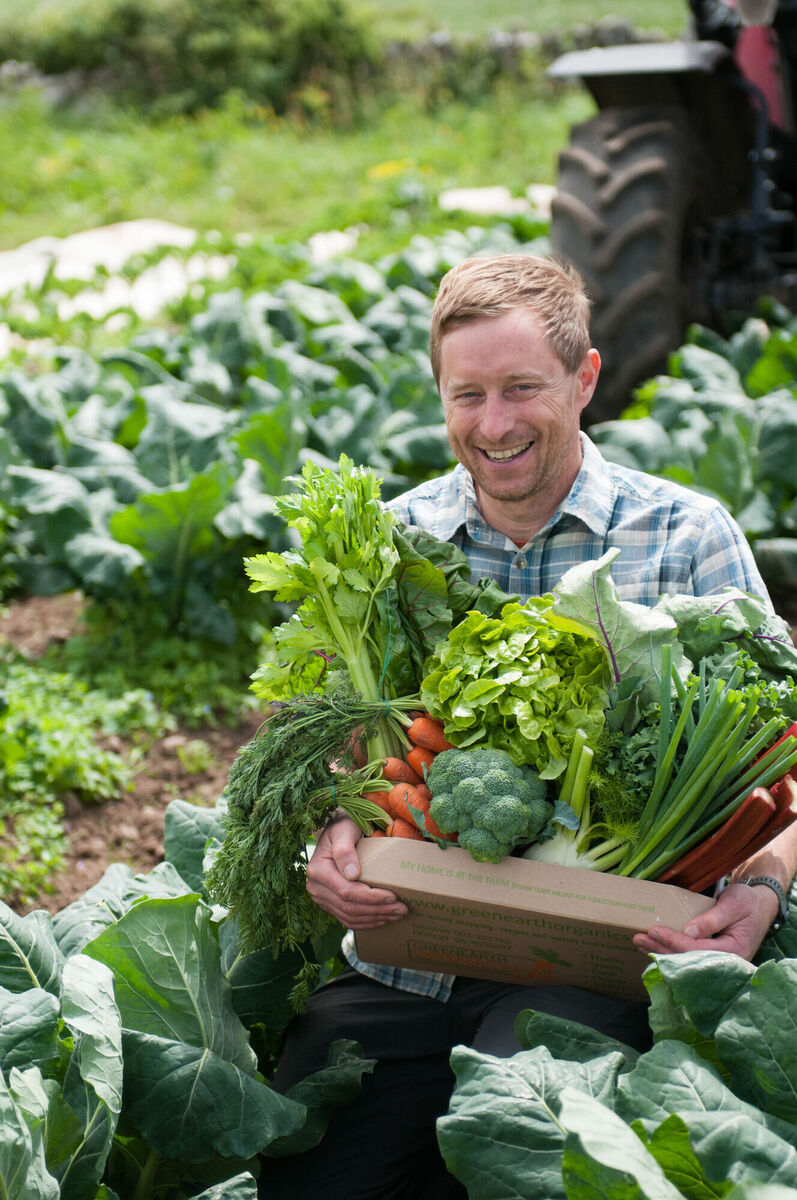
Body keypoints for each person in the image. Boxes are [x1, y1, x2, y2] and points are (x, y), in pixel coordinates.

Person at [258, 254, 797, 1199]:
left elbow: (784, 772)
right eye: (466, 395)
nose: (494, 425)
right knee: (309, 1166)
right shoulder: (391, 540)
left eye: (521, 389)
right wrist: (334, 838)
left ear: (583, 380)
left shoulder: (688, 536)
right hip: (410, 958)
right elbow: (325, 756)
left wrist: (758, 893)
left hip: (598, 957)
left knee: (522, 1153)